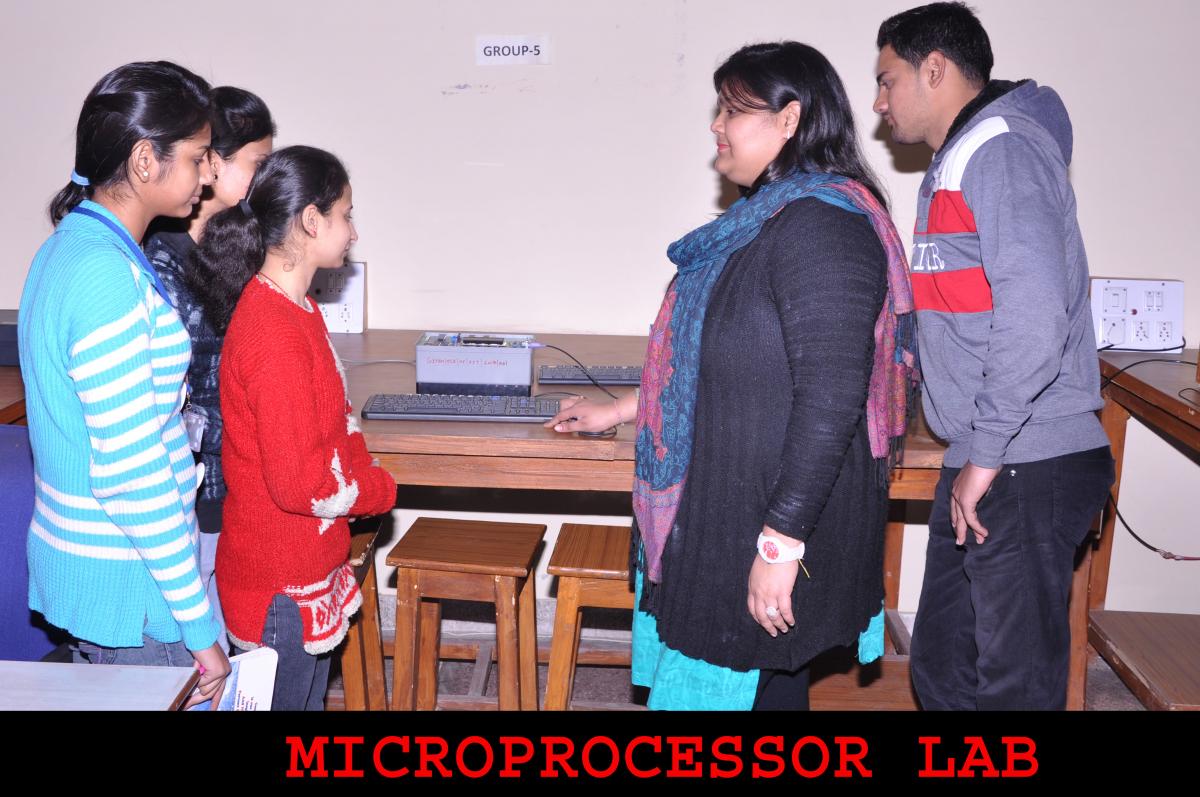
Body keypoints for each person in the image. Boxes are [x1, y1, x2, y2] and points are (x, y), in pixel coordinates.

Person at [548, 42, 916, 710]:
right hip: (735, 503)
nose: (716, 125)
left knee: (748, 674)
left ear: (790, 119)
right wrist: (625, 408)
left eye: (732, 109)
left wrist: (779, 545)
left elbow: (832, 397)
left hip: (772, 516)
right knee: (768, 684)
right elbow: (727, 362)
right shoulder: (765, 222)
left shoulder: (823, 229)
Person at [873, 2, 1114, 710]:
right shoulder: (958, 161)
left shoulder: (1002, 150)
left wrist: (985, 456)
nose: (879, 102)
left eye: (887, 80)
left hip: (1026, 456)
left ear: (935, 69)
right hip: (989, 451)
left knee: (1014, 687)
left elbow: (1034, 317)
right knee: (943, 669)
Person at [18, 61, 229, 708]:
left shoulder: (73, 247)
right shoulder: (105, 276)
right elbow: (134, 475)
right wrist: (199, 628)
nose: (208, 175)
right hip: (133, 584)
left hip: (102, 568)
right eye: (197, 157)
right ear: (144, 161)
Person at [196, 146, 398, 710]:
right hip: (278, 585)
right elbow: (300, 484)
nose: (353, 232)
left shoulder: (298, 309)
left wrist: (358, 467)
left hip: (305, 565)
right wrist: (379, 489)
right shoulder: (272, 330)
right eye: (345, 216)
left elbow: (335, 425)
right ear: (312, 220)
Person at [145, 86, 276, 652]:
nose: (267, 178)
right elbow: (180, 408)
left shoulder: (231, 246)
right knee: (205, 652)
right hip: (193, 495)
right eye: (259, 163)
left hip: (231, 482)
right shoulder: (161, 267)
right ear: (212, 163)